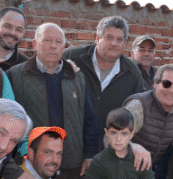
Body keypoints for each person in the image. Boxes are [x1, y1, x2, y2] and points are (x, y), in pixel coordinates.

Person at [7, 23, 99, 179]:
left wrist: (89, 154)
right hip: (33, 168)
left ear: (64, 47)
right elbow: (8, 122)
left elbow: (89, 118)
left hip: (71, 168)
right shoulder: (15, 76)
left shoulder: (77, 77)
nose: (53, 46)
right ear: (34, 44)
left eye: (58, 42)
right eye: (47, 40)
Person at [62, 16, 145, 145]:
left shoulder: (132, 72)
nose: (114, 43)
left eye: (119, 39)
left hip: (105, 148)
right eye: (109, 37)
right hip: (67, 142)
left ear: (125, 43)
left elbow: (141, 105)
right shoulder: (71, 57)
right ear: (97, 38)